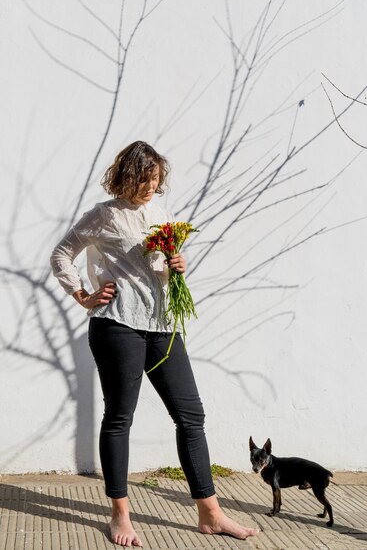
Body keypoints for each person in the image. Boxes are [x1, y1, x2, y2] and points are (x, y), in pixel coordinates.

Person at [50, 140, 259, 547]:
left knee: (191, 415)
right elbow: (62, 254)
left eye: (156, 180)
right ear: (126, 177)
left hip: (163, 326)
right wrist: (83, 295)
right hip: (118, 325)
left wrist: (176, 265)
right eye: (143, 179)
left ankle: (210, 513)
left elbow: (157, 269)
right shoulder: (104, 215)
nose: (150, 186)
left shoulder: (160, 214)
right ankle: (119, 515)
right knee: (120, 417)